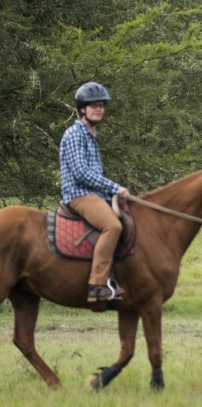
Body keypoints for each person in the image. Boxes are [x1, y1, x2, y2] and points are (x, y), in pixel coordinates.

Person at [59, 82, 130, 302]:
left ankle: (115, 279)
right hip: (79, 194)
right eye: (92, 105)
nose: (98, 109)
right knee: (112, 226)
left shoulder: (91, 134)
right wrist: (114, 188)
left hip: (93, 194)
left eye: (101, 105)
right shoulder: (74, 134)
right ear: (82, 109)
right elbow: (81, 172)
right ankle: (97, 286)